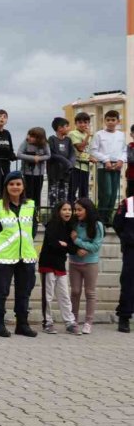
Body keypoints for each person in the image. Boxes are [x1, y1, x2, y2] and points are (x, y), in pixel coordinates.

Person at [0, 171, 39, 338]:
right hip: (4, 256)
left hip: (26, 255)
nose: (15, 187)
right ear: (6, 187)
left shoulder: (31, 205)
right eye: (11, 184)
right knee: (1, 292)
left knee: (24, 291)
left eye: (18, 184)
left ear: (23, 186)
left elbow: (33, 229)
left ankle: (22, 324)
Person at [38, 201, 78, 335]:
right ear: (58, 211)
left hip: (60, 265)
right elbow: (53, 244)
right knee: (47, 296)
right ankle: (47, 322)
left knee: (64, 295)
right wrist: (65, 245)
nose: (67, 212)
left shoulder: (70, 228)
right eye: (64, 209)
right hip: (48, 264)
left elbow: (73, 249)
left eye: (69, 210)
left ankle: (70, 323)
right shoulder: (52, 225)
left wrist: (65, 244)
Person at [68, 198, 103, 335]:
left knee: (90, 293)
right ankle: (73, 320)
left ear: (87, 210)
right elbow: (68, 241)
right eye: (75, 209)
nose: (76, 212)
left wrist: (78, 241)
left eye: (79, 210)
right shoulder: (74, 223)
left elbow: (95, 246)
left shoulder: (97, 225)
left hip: (90, 263)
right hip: (74, 263)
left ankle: (88, 322)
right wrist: (76, 249)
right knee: (75, 292)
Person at [91, 109, 126, 224]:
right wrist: (105, 160)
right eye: (108, 120)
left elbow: (124, 150)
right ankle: (100, 219)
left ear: (118, 121)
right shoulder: (99, 134)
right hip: (104, 166)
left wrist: (121, 160)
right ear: (104, 121)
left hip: (116, 167)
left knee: (113, 195)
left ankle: (108, 219)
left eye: (113, 120)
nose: (110, 122)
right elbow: (94, 151)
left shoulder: (121, 135)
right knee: (106, 193)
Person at [114, 193, 134, 333]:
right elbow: (117, 224)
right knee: (128, 283)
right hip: (131, 250)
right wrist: (127, 239)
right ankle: (124, 317)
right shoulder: (128, 203)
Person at [17, 127, 50, 211]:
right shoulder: (26, 142)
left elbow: (48, 155)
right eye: (29, 135)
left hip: (39, 174)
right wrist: (32, 158)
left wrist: (39, 158)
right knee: (28, 194)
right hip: (27, 173)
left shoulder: (45, 144)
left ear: (39, 138)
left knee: (37, 194)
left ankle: (36, 214)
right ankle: (27, 212)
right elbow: (19, 154)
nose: (29, 137)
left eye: (32, 136)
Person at [47, 117, 76, 207]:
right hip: (54, 174)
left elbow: (72, 154)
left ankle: (62, 217)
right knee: (53, 198)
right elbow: (52, 154)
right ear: (60, 128)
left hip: (65, 174)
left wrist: (71, 163)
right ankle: (53, 217)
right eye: (67, 126)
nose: (69, 128)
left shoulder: (68, 140)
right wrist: (65, 161)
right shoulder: (51, 139)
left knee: (64, 199)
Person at [69, 112, 93, 200]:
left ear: (88, 123)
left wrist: (91, 158)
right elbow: (80, 148)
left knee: (84, 193)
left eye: (85, 122)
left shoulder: (89, 135)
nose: (83, 125)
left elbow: (89, 150)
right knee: (72, 191)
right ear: (76, 123)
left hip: (85, 166)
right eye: (80, 122)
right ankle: (70, 211)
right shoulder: (73, 133)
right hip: (76, 166)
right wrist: (88, 136)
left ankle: (83, 212)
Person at [127, 124, 134, 199]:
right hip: (132, 177)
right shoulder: (130, 146)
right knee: (131, 199)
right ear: (131, 134)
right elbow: (130, 158)